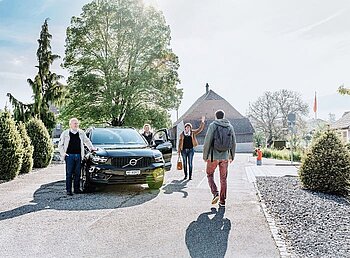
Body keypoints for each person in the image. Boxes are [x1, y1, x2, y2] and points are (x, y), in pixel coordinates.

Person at [203, 110, 236, 207]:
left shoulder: (213, 125)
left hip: (213, 156)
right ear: (224, 116)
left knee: (209, 174)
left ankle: (215, 193)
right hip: (225, 157)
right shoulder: (230, 126)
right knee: (223, 179)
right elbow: (233, 142)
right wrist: (232, 156)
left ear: (216, 116)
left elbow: (207, 140)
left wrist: (205, 156)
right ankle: (222, 201)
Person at [58, 118, 96, 196]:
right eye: (74, 123)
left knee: (78, 174)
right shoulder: (65, 133)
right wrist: (64, 154)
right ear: (70, 125)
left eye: (77, 123)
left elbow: (87, 141)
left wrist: (91, 148)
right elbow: (60, 145)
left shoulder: (81, 133)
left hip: (78, 155)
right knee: (69, 174)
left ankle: (77, 189)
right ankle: (68, 190)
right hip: (69, 156)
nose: (76, 125)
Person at [178, 116, 205, 180]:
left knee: (190, 163)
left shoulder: (192, 133)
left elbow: (199, 129)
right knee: (184, 163)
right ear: (185, 128)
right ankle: (185, 176)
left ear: (190, 128)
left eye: (189, 127)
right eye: (187, 127)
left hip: (190, 150)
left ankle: (190, 176)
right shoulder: (182, 134)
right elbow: (180, 143)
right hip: (183, 151)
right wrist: (179, 151)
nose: (188, 128)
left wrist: (202, 122)